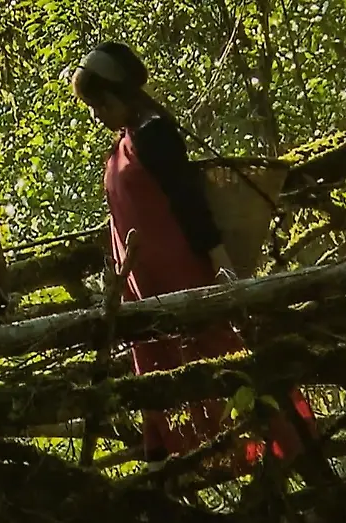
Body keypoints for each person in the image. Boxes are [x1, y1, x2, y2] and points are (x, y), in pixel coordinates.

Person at [72, 42, 323, 477]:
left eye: (101, 104)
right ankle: (184, 470)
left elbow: (190, 203)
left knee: (224, 361)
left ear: (121, 95)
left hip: (180, 277)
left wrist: (220, 264)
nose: (97, 114)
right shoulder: (124, 142)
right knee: (161, 376)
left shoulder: (154, 135)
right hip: (144, 287)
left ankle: (293, 455)